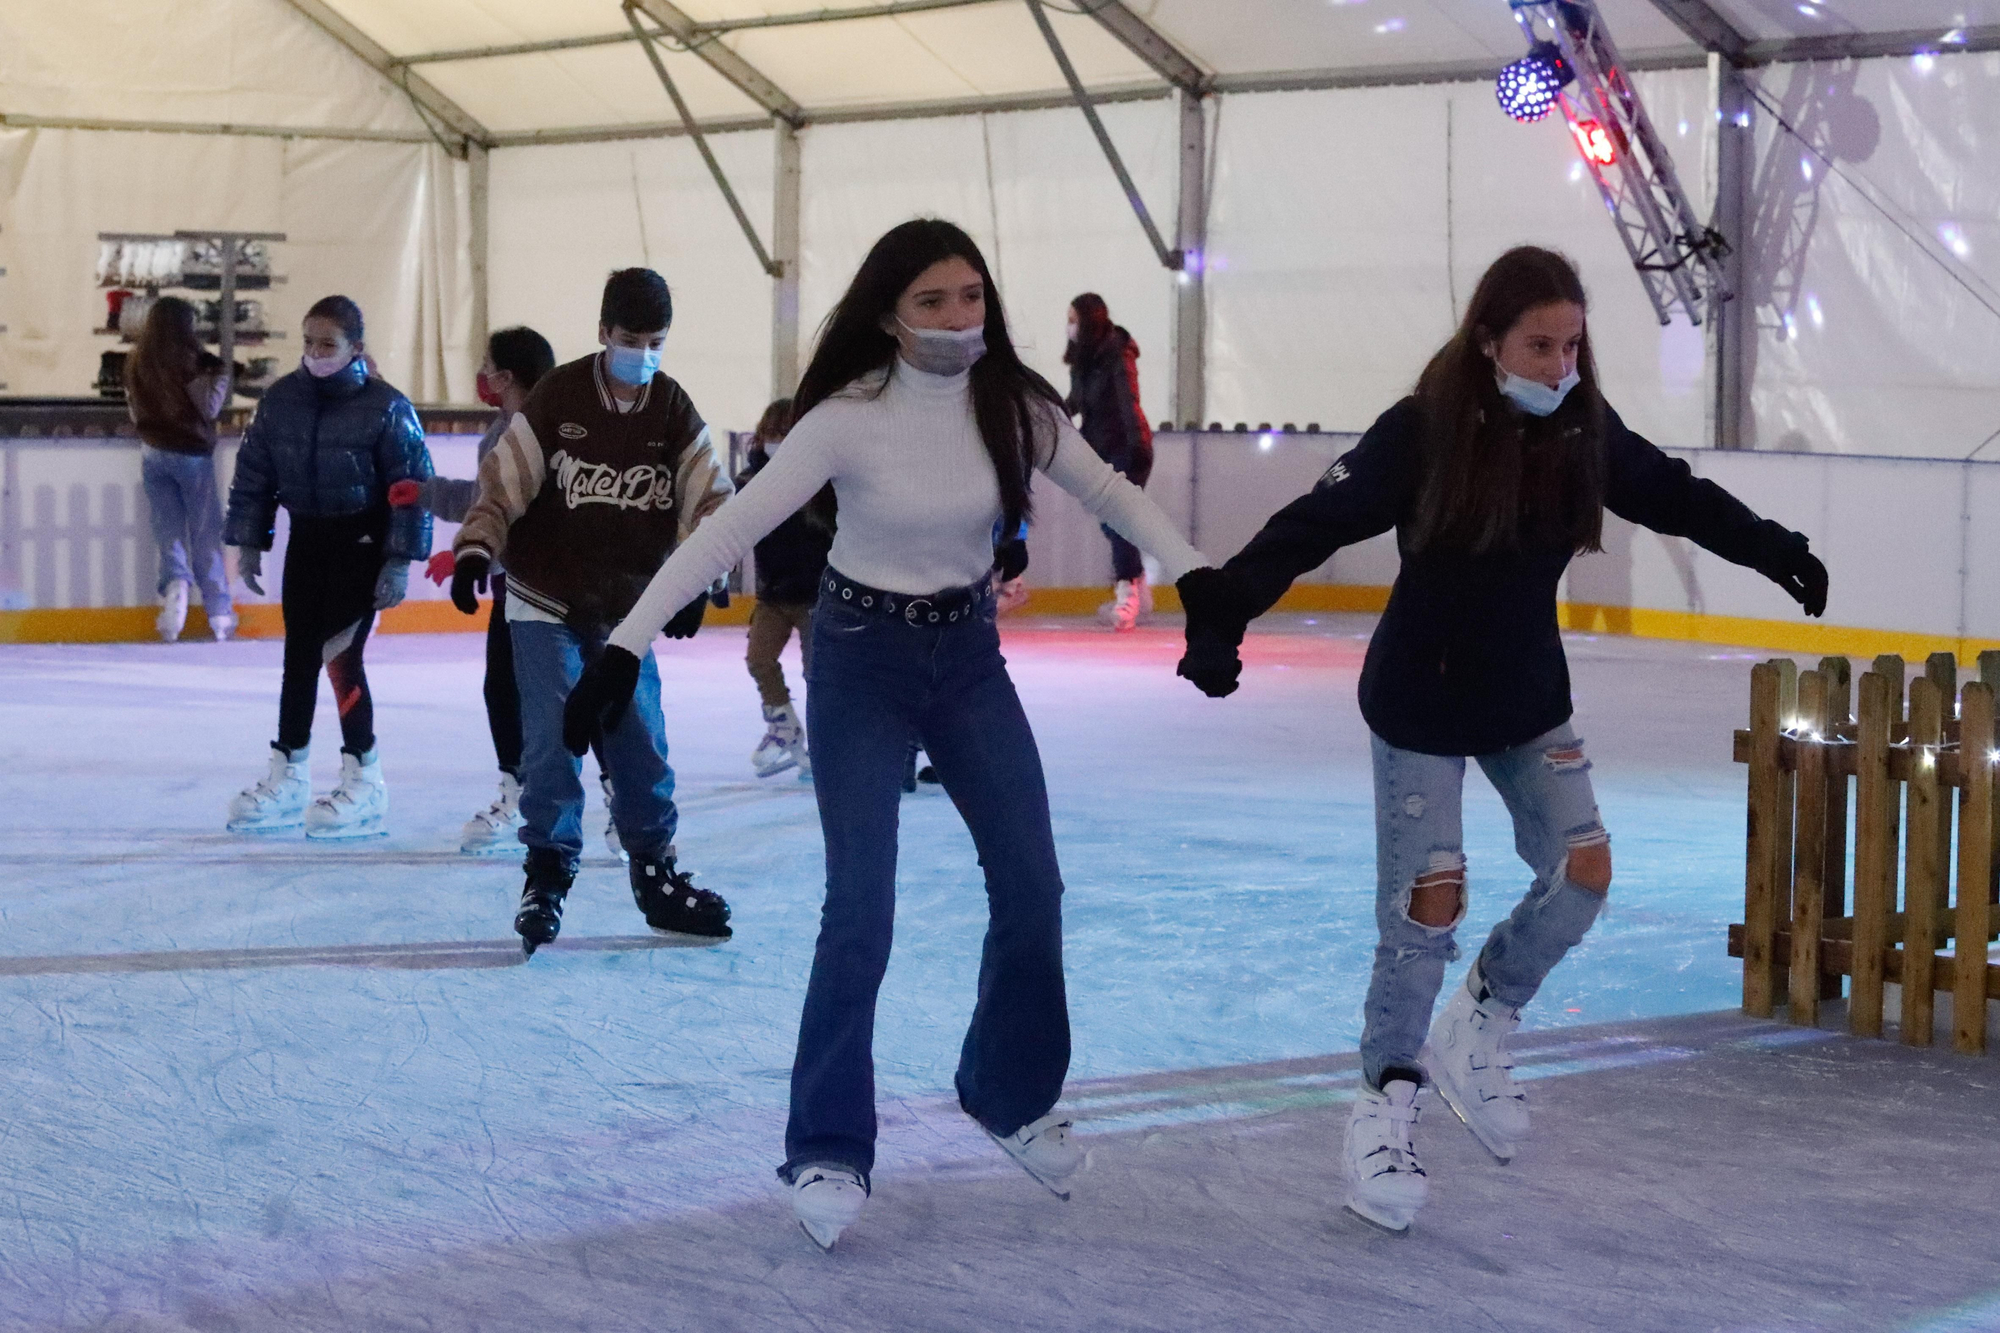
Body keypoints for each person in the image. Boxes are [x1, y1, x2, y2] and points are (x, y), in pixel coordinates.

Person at [562, 220, 1213, 1251]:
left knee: (1032, 882)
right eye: (932, 303)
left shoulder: (1015, 407)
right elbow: (728, 529)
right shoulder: (845, 418)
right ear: (886, 318)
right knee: (859, 906)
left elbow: (1112, 491)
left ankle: (1007, 1094)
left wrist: (1201, 583)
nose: (960, 319)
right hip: (860, 663)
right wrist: (623, 650)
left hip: (967, 662)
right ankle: (827, 1140)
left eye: (971, 297)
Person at [1175, 246, 1830, 1235]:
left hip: (1524, 696)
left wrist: (1773, 547)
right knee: (1425, 901)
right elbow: (1320, 519)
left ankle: (1477, 1018)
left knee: (1581, 870)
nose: (1558, 364)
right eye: (1537, 344)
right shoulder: (1422, 429)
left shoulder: (1578, 428)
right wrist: (1225, 604)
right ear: (1487, 340)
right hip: (1420, 700)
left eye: (1571, 344)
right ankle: (1382, 1107)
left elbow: (1675, 493)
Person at [449, 268, 735, 956]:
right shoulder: (558, 398)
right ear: (603, 332)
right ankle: (547, 870)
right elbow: (503, 485)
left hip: (628, 613)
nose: (643, 352)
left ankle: (656, 871)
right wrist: (473, 550)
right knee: (550, 740)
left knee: (641, 739)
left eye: (656, 340)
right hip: (544, 596)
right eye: (631, 338)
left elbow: (715, 500)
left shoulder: (672, 411)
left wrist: (703, 576)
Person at [222, 295, 432, 838]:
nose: (315, 353)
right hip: (309, 541)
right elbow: (255, 475)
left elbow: (411, 489)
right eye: (309, 342)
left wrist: (398, 562)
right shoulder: (281, 401)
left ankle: (364, 776)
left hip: (361, 542)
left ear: (355, 348)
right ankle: (288, 769)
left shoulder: (387, 407)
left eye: (328, 344)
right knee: (298, 657)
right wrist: (250, 543)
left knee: (341, 656)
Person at [422, 325, 629, 857]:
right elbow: (483, 498)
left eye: (487, 364)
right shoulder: (499, 430)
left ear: (507, 375)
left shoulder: (546, 425)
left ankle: (619, 798)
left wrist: (477, 549)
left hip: (560, 586)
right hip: (510, 585)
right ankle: (518, 788)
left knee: (583, 691)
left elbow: (533, 510)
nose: (481, 375)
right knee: (503, 688)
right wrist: (429, 499)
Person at [125, 296, 236, 642]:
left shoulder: (135, 361)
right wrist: (220, 370)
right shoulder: (193, 363)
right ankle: (218, 611)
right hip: (191, 455)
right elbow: (210, 407)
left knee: (167, 529)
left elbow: (133, 410)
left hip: (153, 453)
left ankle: (174, 594)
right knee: (205, 532)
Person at [738, 397, 832, 780]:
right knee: (759, 660)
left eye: (786, 434)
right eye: (772, 434)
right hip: (773, 594)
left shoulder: (819, 481)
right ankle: (784, 725)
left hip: (816, 594)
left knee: (819, 674)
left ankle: (828, 745)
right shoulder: (749, 482)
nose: (778, 441)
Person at [1063, 293, 1154, 631]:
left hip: (1128, 447)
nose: (1068, 327)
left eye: (1073, 320)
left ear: (1088, 321)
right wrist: (1050, 414)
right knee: (1110, 521)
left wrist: (1135, 452)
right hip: (1100, 450)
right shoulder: (1083, 359)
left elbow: (1128, 401)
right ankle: (1138, 588)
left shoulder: (1117, 353)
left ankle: (1128, 594)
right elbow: (1076, 401)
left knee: (1117, 521)